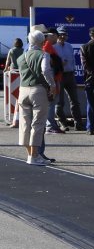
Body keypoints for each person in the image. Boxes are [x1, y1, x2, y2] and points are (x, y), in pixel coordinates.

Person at [14, 29, 56, 166]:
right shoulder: (43, 55)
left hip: (23, 90)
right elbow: (45, 70)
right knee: (38, 123)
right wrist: (52, 85)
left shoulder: (21, 57)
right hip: (38, 91)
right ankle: (34, 156)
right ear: (43, 42)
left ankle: (30, 154)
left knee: (25, 124)